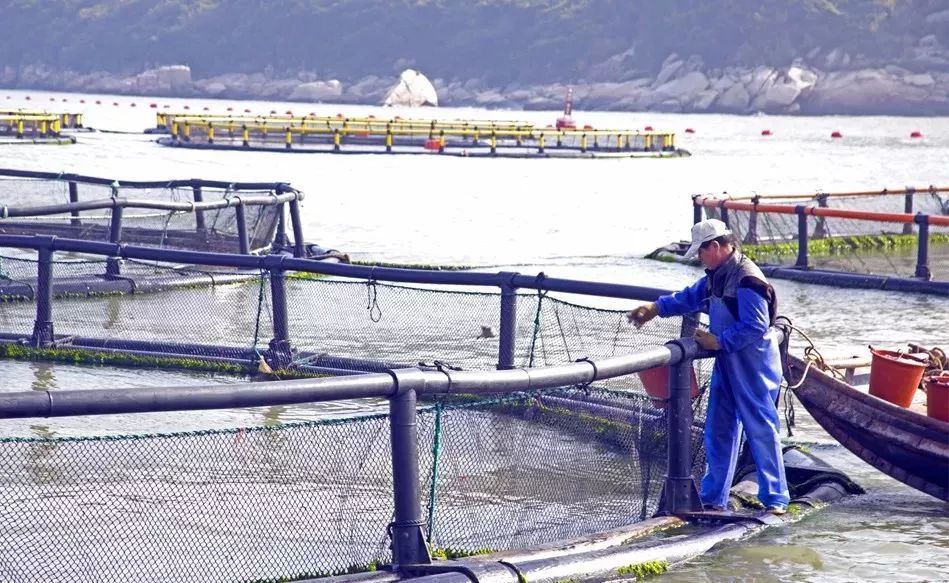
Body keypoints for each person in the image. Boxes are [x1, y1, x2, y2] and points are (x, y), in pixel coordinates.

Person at [627, 218, 790, 514]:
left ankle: (776, 499)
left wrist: (719, 342)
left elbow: (755, 325)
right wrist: (655, 308)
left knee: (761, 429)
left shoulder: (747, 279)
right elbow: (689, 297)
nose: (699, 258)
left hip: (753, 365)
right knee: (719, 430)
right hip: (728, 365)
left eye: (701, 252)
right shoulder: (716, 275)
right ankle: (713, 498)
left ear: (715, 247)